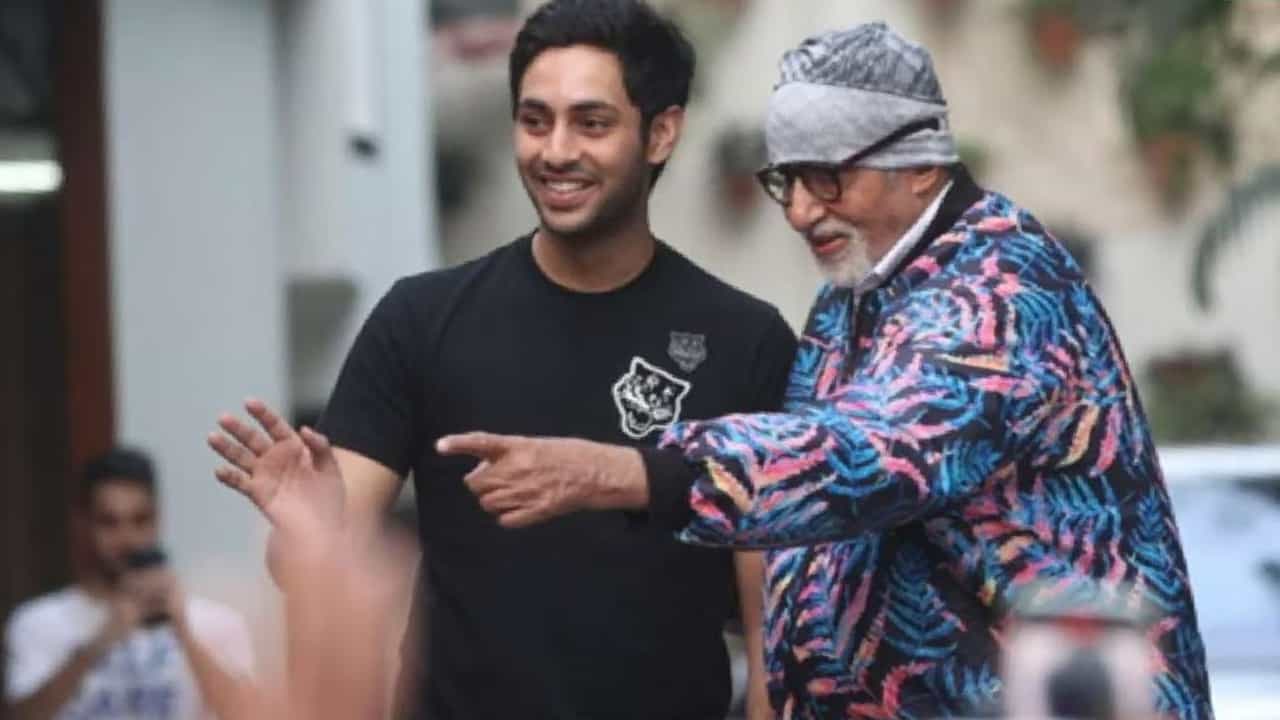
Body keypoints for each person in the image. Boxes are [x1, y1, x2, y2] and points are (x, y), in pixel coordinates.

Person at [432, 22, 1214, 720]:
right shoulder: (854, 294)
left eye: (827, 177)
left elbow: (872, 457)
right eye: (787, 180)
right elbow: (812, 524)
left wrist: (629, 472)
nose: (802, 211)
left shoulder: (1000, 290)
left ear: (919, 164)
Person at [207, 1, 795, 718]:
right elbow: (317, 559)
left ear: (661, 132)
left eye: (592, 123)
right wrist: (308, 533)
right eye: (535, 120)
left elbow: (771, 623)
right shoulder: (422, 318)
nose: (556, 151)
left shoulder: (745, 339)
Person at [4, 447, 256, 720]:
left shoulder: (215, 621)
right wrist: (98, 644)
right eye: (109, 522)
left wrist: (184, 633)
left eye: (140, 520)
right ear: (83, 524)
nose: (127, 538)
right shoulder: (38, 623)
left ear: (157, 519)